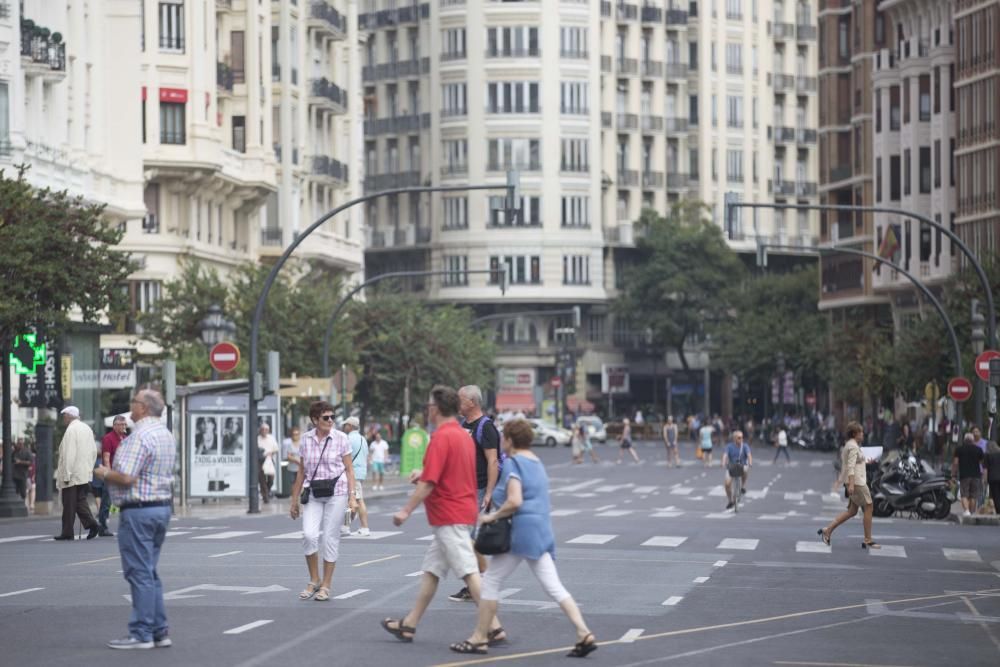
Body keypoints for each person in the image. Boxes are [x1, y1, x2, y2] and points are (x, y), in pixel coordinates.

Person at [451, 419, 596, 657]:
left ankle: (479, 638)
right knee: (554, 587)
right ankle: (584, 633)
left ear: (509, 440)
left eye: (503, 438)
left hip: (521, 533)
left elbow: (515, 500)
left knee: (489, 583)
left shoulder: (514, 464)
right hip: (542, 531)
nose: (501, 442)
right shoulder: (536, 462)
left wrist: (491, 517)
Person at [383, 385, 504, 644]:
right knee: (432, 571)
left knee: (470, 573)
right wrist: (423, 475)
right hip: (457, 511)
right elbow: (450, 473)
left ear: (436, 408)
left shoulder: (442, 437)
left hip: (450, 515)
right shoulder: (462, 435)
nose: (427, 410)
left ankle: (491, 628)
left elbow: (430, 483)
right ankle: (409, 624)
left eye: (428, 406)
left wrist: (406, 510)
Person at [93, 389, 176, 649]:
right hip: (160, 507)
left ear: (143, 408)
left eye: (134, 403)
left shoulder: (138, 437)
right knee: (149, 570)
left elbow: (127, 476)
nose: (131, 408)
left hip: (138, 509)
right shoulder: (165, 434)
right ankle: (158, 630)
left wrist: (104, 472)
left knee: (139, 572)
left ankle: (141, 633)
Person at [289, 401, 358, 602]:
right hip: (313, 492)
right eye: (325, 417)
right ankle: (314, 579)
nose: (330, 421)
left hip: (336, 491)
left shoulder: (341, 438)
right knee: (309, 535)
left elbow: (349, 469)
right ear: (314, 420)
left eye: (332, 417)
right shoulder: (305, 440)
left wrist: (352, 496)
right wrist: (294, 501)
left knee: (329, 537)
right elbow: (301, 471)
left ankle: (326, 585)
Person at [448, 385, 502, 603]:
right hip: (463, 489)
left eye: (460, 400)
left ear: (472, 402)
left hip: (478, 489)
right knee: (467, 539)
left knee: (467, 539)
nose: (457, 404)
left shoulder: (485, 427)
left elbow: (493, 461)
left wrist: (489, 492)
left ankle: (479, 585)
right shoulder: (465, 425)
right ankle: (477, 584)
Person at [818, 422, 880, 550]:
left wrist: (866, 461)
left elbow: (853, 463)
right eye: (860, 432)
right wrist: (851, 484)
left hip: (854, 481)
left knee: (852, 511)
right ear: (854, 434)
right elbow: (850, 466)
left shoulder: (851, 446)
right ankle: (868, 540)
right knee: (869, 506)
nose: (863, 434)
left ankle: (828, 530)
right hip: (857, 482)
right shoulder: (853, 447)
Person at [55, 406, 100, 541]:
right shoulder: (86, 428)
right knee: (79, 501)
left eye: (65, 416)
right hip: (83, 473)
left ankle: (68, 532)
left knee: (69, 503)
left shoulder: (71, 430)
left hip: (72, 473)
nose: (64, 418)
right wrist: (89, 470)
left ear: (69, 416)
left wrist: (67, 474)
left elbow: (69, 453)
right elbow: (93, 451)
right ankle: (91, 525)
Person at [97, 415, 128, 537]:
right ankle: (102, 526)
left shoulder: (125, 438)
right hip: (112, 474)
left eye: (125, 424)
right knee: (106, 502)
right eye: (121, 424)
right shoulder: (108, 438)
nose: (124, 426)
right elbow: (106, 458)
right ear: (114, 426)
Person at [341, 417, 370, 536]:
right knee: (351, 499)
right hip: (361, 472)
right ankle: (346, 525)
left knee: (358, 500)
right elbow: (366, 455)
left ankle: (364, 527)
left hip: (352, 473)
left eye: (345, 425)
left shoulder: (348, 439)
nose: (343, 427)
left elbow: (343, 456)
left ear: (350, 426)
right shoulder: (363, 439)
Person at [953, 433, 985, 516]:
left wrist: (954, 473)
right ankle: (971, 512)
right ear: (973, 440)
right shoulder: (979, 449)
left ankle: (967, 511)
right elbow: (982, 463)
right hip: (976, 475)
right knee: (973, 495)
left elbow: (955, 463)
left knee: (964, 494)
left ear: (964, 440)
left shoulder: (959, 449)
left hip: (964, 475)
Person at [723, 431, 752, 510]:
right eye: (739, 438)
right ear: (734, 438)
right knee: (727, 484)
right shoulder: (729, 446)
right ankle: (730, 501)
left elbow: (749, 455)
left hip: (742, 466)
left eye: (742, 437)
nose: (741, 439)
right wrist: (723, 462)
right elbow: (725, 455)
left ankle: (742, 486)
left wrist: (750, 463)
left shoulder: (745, 446)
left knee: (746, 469)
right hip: (731, 467)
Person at [257, 423, 279, 504]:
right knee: (261, 479)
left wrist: (270, 453)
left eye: (266, 430)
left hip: (269, 459)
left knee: (271, 477)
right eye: (262, 429)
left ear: (268, 431)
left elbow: (276, 449)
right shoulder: (257, 439)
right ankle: (265, 496)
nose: (264, 431)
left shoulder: (271, 438)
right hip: (259, 460)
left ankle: (267, 489)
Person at [280, 427, 302, 499]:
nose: (295, 436)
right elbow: (288, 455)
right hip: (292, 467)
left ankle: (299, 494)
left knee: (300, 482)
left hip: (301, 467)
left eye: (297, 434)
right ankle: (294, 495)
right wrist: (295, 460)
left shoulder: (302, 444)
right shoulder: (289, 444)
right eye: (294, 434)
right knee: (293, 482)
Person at [984, 441, 1000, 515]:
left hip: (992, 478)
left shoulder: (987, 455)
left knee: (995, 495)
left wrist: (985, 480)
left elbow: (985, 469)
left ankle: (998, 511)